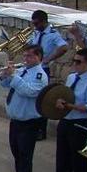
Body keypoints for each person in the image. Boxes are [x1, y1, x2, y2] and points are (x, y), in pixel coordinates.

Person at [0, 45, 49, 172]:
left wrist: (14, 76)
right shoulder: (22, 70)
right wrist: (4, 75)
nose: (26, 59)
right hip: (16, 119)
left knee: (25, 153)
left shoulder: (40, 75)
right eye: (25, 56)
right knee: (16, 150)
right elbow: (5, 84)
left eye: (29, 56)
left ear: (38, 57)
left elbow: (29, 91)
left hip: (29, 121)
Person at [29, 9, 69, 140]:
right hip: (33, 68)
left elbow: (64, 47)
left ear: (44, 22)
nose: (35, 26)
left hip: (43, 69)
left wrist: (49, 59)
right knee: (33, 97)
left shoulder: (53, 34)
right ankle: (33, 127)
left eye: (37, 23)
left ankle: (41, 130)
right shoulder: (36, 33)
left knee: (42, 99)